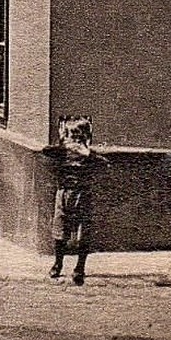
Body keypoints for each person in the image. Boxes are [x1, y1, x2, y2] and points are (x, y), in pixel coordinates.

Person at [44, 117, 108, 286]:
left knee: (83, 234)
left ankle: (80, 268)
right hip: (63, 193)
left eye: (76, 135)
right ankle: (58, 263)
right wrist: (62, 143)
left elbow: (104, 164)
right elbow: (46, 151)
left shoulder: (88, 155)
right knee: (60, 231)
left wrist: (86, 152)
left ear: (84, 136)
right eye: (70, 134)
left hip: (82, 194)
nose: (73, 139)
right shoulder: (63, 152)